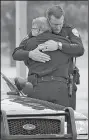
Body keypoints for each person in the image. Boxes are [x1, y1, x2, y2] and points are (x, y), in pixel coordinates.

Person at [12, 5, 84, 109]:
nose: (58, 27)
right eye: (55, 24)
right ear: (48, 21)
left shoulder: (69, 31)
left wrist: (59, 46)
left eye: (60, 24)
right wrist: (30, 54)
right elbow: (16, 52)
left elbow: (80, 49)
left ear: (63, 19)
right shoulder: (39, 30)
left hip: (66, 82)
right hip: (42, 83)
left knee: (67, 118)